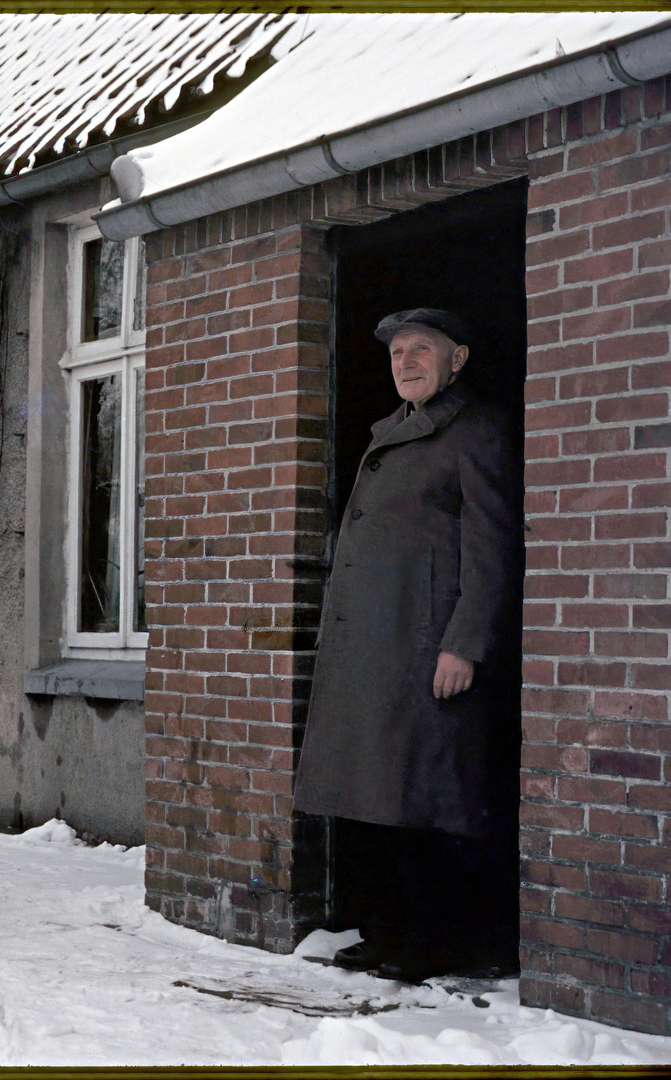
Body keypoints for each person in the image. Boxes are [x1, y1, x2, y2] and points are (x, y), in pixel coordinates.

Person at [294, 307, 523, 983]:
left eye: (420, 350)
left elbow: (492, 549)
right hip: (372, 650)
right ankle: (385, 935)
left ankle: (434, 944)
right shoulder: (388, 433)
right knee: (373, 801)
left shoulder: (475, 432)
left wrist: (465, 644)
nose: (405, 363)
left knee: (425, 801)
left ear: (457, 359)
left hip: (425, 650)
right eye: (395, 353)